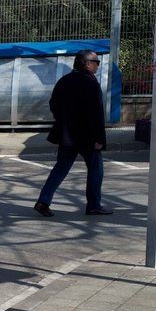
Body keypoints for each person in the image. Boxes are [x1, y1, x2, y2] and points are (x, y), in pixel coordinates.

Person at [34, 50, 113, 217]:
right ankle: (93, 205)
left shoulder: (64, 81)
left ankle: (43, 200)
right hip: (87, 136)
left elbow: (53, 104)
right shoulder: (90, 82)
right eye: (96, 62)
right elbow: (96, 112)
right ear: (87, 63)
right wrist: (99, 138)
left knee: (60, 168)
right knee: (96, 169)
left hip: (68, 135)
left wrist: (64, 120)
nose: (98, 65)